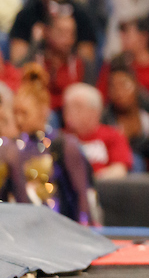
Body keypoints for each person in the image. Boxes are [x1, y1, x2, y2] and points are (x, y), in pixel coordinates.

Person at [3, 65, 93, 222]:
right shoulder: (10, 147)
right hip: (23, 227)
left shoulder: (63, 144)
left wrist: (85, 227)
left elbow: (81, 195)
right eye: (15, 112)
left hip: (61, 225)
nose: (19, 120)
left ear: (43, 110)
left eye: (24, 113)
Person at [102, 62, 149, 171]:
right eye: (113, 87)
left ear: (135, 85)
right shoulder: (105, 117)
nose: (119, 92)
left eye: (124, 85)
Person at [62, 82, 133, 179]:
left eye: (77, 106)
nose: (70, 111)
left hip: (104, 189)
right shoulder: (58, 138)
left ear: (94, 111)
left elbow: (119, 170)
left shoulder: (113, 135)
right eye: (67, 106)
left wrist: (90, 182)